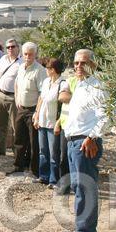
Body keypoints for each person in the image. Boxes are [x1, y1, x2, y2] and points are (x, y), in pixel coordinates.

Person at [61, 49, 108, 232]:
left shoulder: (98, 87)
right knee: (78, 186)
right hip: (74, 140)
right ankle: (83, 227)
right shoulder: (80, 84)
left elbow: (106, 116)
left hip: (85, 143)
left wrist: (92, 137)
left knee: (85, 187)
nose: (78, 66)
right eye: (76, 63)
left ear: (93, 65)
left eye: (83, 63)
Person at [9, 42, 47, 176]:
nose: (28, 57)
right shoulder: (21, 67)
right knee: (19, 139)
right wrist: (17, 99)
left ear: (35, 54)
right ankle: (18, 166)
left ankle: (34, 170)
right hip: (21, 108)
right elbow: (17, 84)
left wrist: (37, 112)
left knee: (33, 142)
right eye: (25, 54)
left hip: (33, 110)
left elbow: (43, 93)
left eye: (30, 54)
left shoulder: (40, 70)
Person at [33, 58, 65, 187]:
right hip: (42, 120)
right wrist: (36, 115)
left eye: (48, 68)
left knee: (54, 153)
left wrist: (59, 121)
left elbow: (63, 106)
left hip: (53, 122)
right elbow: (41, 98)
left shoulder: (63, 84)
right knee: (43, 150)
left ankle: (54, 179)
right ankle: (43, 176)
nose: (46, 70)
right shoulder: (46, 81)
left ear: (53, 70)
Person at [0, 39, 21, 156]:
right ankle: (0, 149)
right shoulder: (3, 59)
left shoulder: (22, 62)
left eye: (12, 46)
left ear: (18, 48)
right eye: (8, 47)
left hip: (14, 97)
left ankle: (17, 152)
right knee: (1, 124)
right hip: (0, 95)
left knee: (16, 126)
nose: (10, 49)